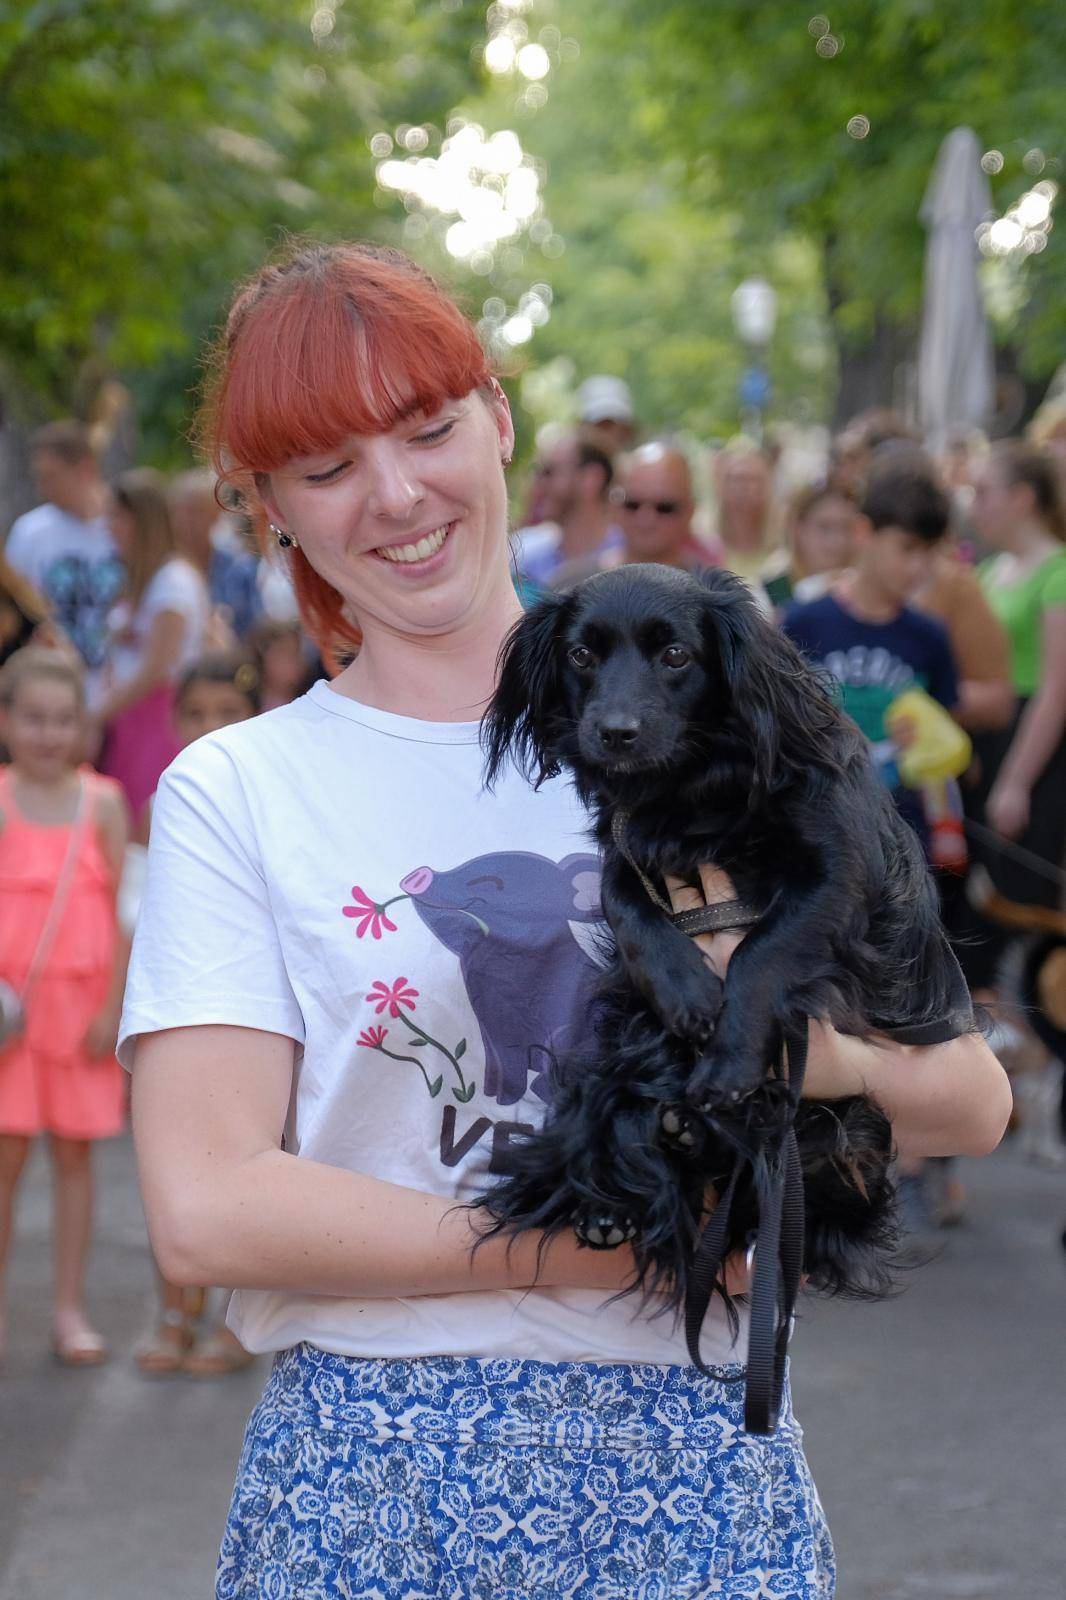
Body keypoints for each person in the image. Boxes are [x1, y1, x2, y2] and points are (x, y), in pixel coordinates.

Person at [120, 241, 1010, 1599]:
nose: (396, 495)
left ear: (499, 423)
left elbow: (966, 1098)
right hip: (374, 1488)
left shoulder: (738, 726)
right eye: (326, 467)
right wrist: (623, 1246)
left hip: (700, 1468)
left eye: (425, 431)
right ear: (266, 509)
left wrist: (777, 1044)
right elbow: (208, 1210)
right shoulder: (238, 789)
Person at [0, 647, 129, 1366]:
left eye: (63, 720)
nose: (49, 734)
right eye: (33, 719)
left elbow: (118, 912)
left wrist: (111, 1008)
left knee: (75, 1162)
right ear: (6, 721)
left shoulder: (102, 802)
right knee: (6, 1164)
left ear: (83, 725)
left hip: (80, 1014)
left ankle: (68, 1309)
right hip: (10, 1021)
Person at [135, 651, 260, 1378]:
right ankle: (174, 1313)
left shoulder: (266, 798)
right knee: (173, 1168)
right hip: (179, 1004)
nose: (209, 727)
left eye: (227, 714)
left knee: (253, 1164)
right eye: (195, 713)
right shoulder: (163, 802)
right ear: (173, 719)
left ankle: (240, 1320)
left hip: (249, 1010)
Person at [782, 460, 961, 849]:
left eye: (929, 551)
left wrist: (926, 738)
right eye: (907, 548)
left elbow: (946, 730)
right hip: (819, 829)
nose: (918, 566)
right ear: (864, 532)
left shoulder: (930, 636)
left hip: (905, 832)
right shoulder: (803, 623)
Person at [94, 468, 209, 831]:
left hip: (156, 724)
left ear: (139, 520)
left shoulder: (172, 581)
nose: (109, 525)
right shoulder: (146, 577)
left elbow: (157, 669)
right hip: (132, 721)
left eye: (116, 516)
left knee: (148, 824)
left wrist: (94, 714)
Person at [3, 421, 125, 697]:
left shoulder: (122, 526)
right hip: (54, 689)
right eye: (39, 477)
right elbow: (15, 608)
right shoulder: (30, 531)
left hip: (119, 691)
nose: (42, 488)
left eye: (51, 476)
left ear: (84, 469)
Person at [512, 430, 622, 589]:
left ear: (591, 479)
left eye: (549, 472)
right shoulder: (524, 557)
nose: (539, 484)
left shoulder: (629, 557)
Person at [168, 469, 265, 643]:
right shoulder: (164, 569)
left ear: (215, 515)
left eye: (196, 511)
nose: (187, 521)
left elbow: (257, 629)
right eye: (180, 511)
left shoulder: (239, 567)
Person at [761, 481, 860, 610]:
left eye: (846, 527)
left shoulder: (862, 587)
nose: (837, 540)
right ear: (798, 528)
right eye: (824, 527)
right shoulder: (773, 591)